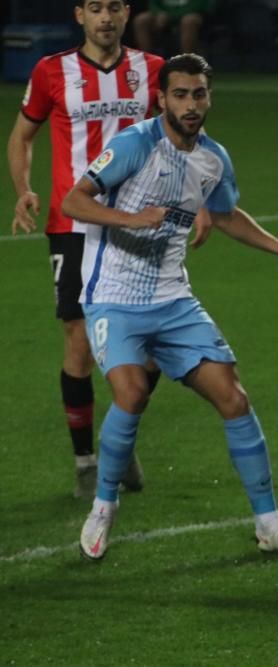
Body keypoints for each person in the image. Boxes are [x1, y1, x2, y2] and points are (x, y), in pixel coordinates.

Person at [62, 53, 278, 560]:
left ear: (209, 98)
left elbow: (225, 214)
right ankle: (103, 506)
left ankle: (269, 523)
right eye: (180, 94)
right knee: (132, 394)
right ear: (161, 98)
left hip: (174, 300)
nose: (190, 105)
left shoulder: (213, 158)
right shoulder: (134, 145)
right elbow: (73, 201)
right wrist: (132, 218)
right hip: (113, 299)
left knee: (234, 399)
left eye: (199, 94)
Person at [6, 0, 185, 498]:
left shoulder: (153, 70)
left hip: (140, 223)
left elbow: (183, 135)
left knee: (153, 348)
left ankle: (118, 440)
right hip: (73, 223)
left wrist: (201, 198)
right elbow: (22, 136)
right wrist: (23, 188)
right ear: (79, 15)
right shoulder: (51, 71)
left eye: (113, 8)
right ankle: (86, 460)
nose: (105, 18)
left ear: (126, 14)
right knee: (79, 341)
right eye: (95, 8)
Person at [133, 0, 216, 55]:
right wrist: (158, 13)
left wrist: (171, 16)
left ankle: (188, 61)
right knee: (141, 20)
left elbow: (199, 6)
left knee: (189, 20)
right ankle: (148, 60)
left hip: (191, 15)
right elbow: (153, 3)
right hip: (163, 15)